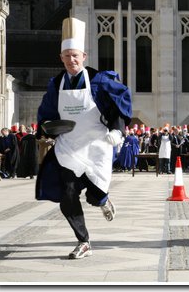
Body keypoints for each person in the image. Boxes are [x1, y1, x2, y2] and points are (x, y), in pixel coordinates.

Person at [35, 17, 132, 259]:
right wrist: (47, 127)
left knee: (94, 195)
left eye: (75, 55)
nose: (71, 60)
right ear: (61, 58)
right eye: (67, 56)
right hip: (68, 147)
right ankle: (84, 240)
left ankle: (103, 200)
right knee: (67, 195)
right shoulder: (56, 83)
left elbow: (120, 103)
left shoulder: (99, 80)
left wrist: (117, 130)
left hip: (96, 144)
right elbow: (46, 112)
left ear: (84, 56)